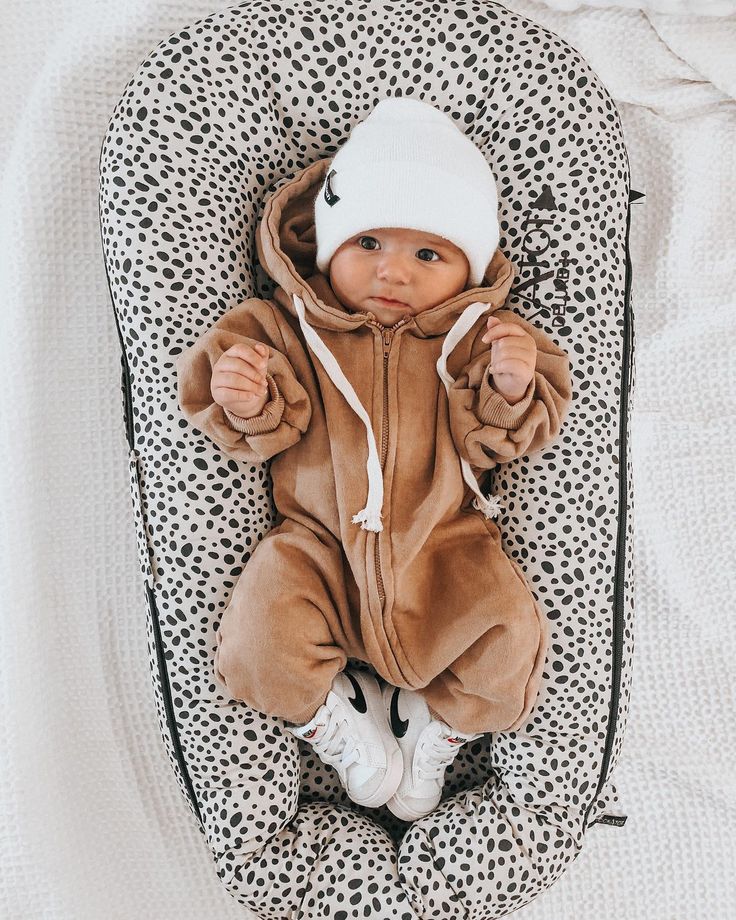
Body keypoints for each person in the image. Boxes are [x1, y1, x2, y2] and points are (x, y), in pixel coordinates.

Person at [176, 96, 573, 821]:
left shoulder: (480, 337)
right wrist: (244, 393)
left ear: (469, 267)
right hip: (317, 550)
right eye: (369, 244)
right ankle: (332, 713)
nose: (394, 273)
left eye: (428, 254)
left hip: (443, 548)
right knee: (253, 641)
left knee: (512, 639)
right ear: (331, 246)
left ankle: (439, 723)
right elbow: (268, 426)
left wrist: (511, 385)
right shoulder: (290, 326)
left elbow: (504, 439)